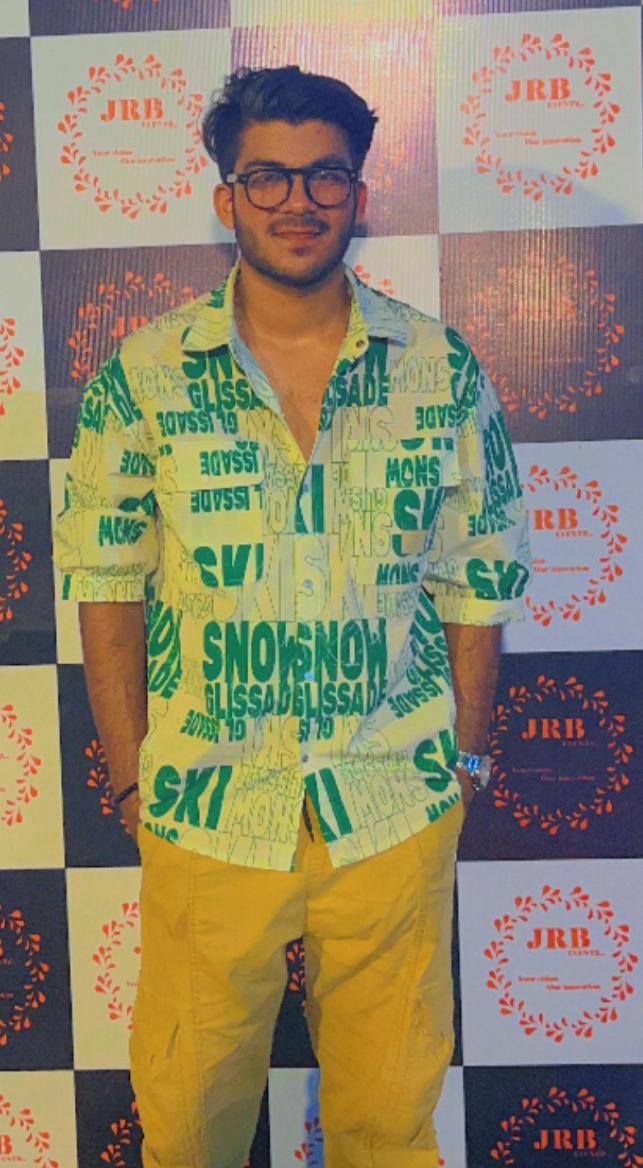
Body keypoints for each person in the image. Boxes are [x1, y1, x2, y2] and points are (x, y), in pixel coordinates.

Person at [53, 64, 530, 1168]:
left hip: (392, 804)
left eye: (325, 175)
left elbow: (479, 577)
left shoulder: (439, 368)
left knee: (388, 1129)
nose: (297, 200)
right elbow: (105, 581)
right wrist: (131, 778)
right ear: (226, 196)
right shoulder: (145, 375)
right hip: (207, 806)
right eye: (267, 176)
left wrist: (460, 761)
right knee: (187, 1127)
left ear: (358, 194)